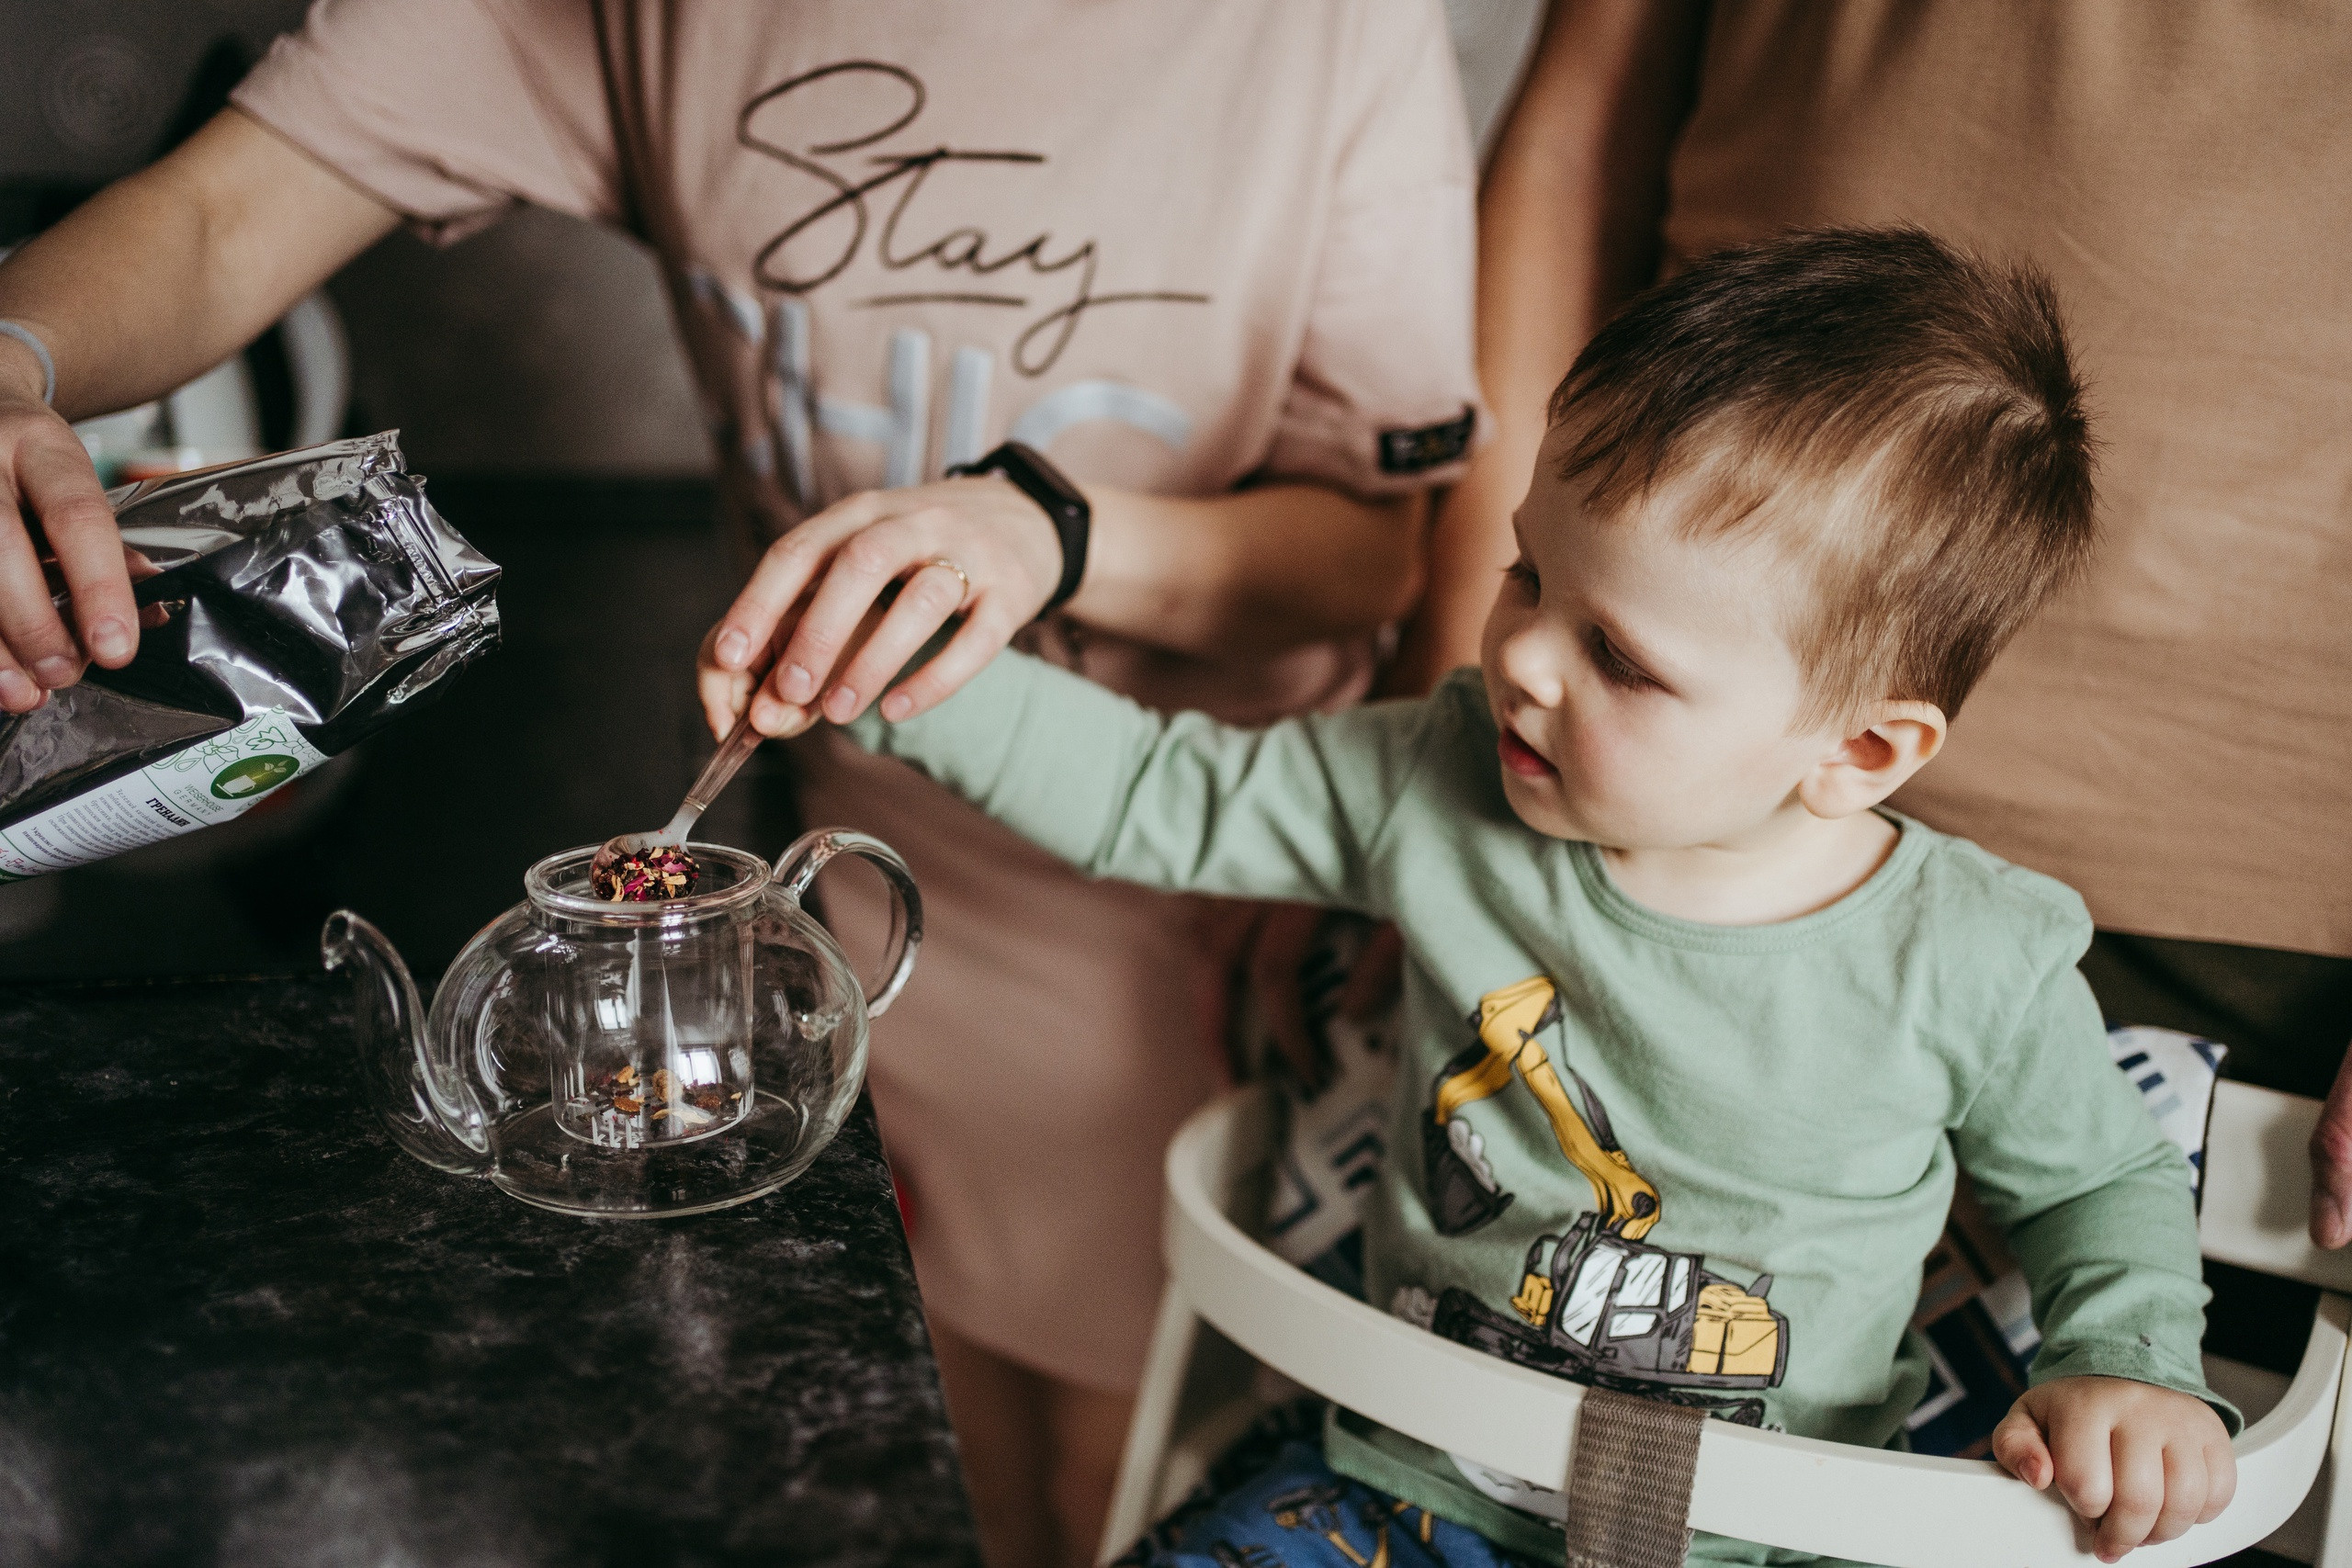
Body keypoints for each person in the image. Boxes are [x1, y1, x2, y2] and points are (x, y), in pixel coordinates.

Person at [0, 5, 1482, 1562]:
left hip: (1179, 911)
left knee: (1108, 1480)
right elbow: (229, 205)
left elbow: (1369, 540)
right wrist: (17, 359)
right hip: (846, 901)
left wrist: (1048, 529)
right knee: (913, 1459)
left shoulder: (1324, 33)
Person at [736, 228, 2238, 1565]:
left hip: (1770, 1541)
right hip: (1407, 1490)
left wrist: (2134, 1365)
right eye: (1528, 578)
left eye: (1622, 658)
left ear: (1857, 751)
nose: (1518, 655)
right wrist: (897, 675)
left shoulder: (1968, 954)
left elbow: (2099, 1184)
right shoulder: (1442, 774)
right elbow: (1159, 793)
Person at [1435, 0, 2352, 1254]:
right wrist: (1466, 668)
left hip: (2233, 909)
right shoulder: (1486, 730)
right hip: (1601, 795)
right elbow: (1581, 133)